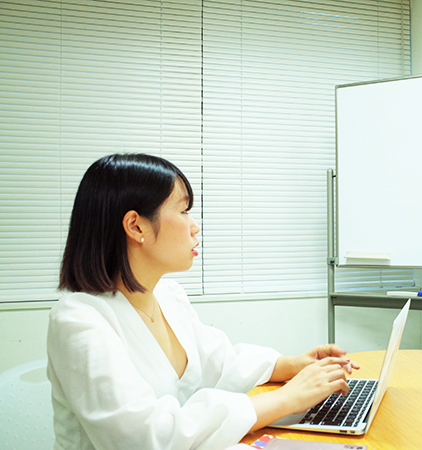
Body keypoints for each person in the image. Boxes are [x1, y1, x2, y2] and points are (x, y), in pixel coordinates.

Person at [47, 153, 359, 450]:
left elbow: (220, 363)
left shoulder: (168, 297)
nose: (194, 226)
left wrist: (292, 365)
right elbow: (143, 438)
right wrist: (286, 399)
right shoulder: (79, 320)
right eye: (183, 211)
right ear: (136, 226)